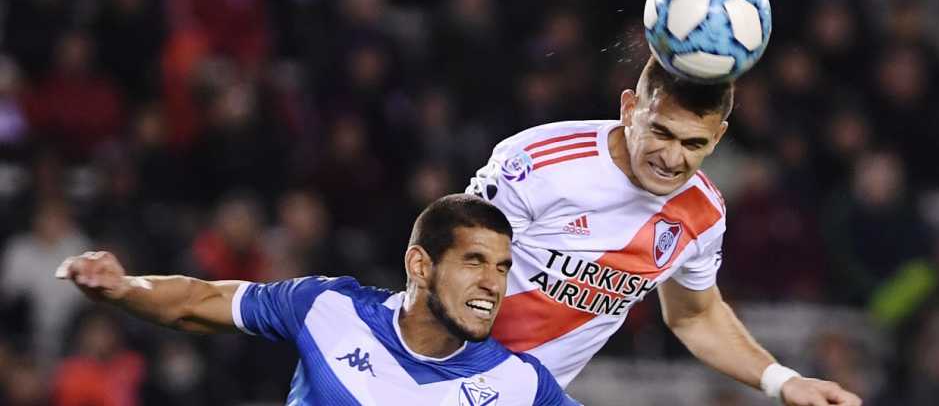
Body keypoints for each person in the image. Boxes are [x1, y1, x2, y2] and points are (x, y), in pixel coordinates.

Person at [466, 57, 862, 406]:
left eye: (694, 143)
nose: (673, 159)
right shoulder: (537, 164)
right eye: (661, 132)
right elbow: (450, 271)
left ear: (718, 137)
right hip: (442, 372)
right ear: (629, 108)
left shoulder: (701, 214)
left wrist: (785, 381)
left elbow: (695, 317)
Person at [56, 194, 577, 405]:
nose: (493, 282)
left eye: (503, 268)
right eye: (475, 262)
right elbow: (199, 300)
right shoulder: (329, 309)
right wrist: (125, 288)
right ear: (420, 265)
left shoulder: (522, 384)